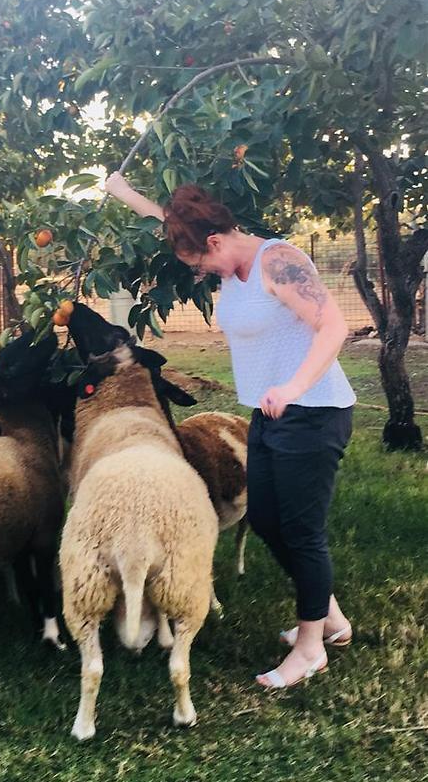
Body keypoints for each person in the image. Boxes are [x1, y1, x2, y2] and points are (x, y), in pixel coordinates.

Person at [105, 171, 356, 690]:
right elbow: (169, 221)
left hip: (313, 410)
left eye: (200, 263)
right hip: (272, 414)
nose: (200, 272)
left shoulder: (280, 262)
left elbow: (335, 326)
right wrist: (127, 195)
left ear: (216, 242)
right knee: (263, 518)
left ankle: (311, 649)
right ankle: (328, 615)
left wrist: (291, 387)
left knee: (302, 533)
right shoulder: (224, 256)